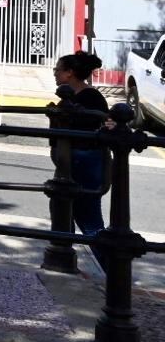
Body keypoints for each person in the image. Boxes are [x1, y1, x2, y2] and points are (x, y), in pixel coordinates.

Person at [52, 50, 112, 265]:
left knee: (89, 221)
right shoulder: (79, 96)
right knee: (65, 211)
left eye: (58, 70)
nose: (55, 74)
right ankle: (63, 257)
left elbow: (87, 130)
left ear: (70, 73)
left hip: (83, 164)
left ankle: (114, 272)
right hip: (75, 164)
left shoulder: (88, 97)